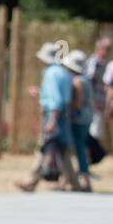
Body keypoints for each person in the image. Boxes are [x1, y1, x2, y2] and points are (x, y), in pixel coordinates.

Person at [17, 42, 77, 192]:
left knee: (43, 147)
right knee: (64, 150)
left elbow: (55, 99)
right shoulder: (63, 72)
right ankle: (74, 183)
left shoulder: (50, 73)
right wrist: (41, 93)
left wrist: (51, 120)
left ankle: (31, 180)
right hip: (63, 115)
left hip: (54, 115)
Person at [64, 49, 93, 192]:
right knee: (81, 149)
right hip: (87, 118)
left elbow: (78, 103)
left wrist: (70, 108)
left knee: (78, 149)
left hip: (79, 119)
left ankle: (85, 181)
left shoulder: (77, 81)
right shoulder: (86, 79)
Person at [86, 36, 111, 150]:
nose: (106, 51)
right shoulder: (93, 63)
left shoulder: (104, 63)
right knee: (93, 132)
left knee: (96, 132)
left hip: (100, 103)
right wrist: (91, 100)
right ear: (98, 48)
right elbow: (89, 83)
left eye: (108, 49)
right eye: (105, 48)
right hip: (93, 103)